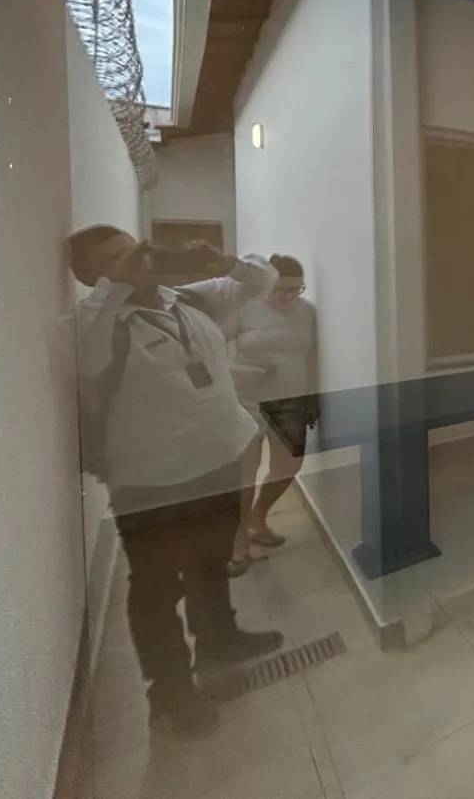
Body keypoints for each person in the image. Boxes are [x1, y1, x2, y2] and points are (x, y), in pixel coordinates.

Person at [69, 225, 284, 739]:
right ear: (93, 277)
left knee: (211, 561)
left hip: (217, 458)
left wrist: (226, 262)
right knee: (157, 588)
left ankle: (220, 639)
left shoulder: (185, 299)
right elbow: (82, 348)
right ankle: (169, 692)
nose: (136, 259)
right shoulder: (97, 324)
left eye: (134, 248)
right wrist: (117, 286)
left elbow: (262, 280)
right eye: (116, 259)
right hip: (152, 480)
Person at [228, 254, 319, 574]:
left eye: (297, 289)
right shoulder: (242, 306)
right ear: (266, 282)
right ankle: (239, 541)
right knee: (244, 477)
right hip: (247, 402)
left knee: (288, 467)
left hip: (290, 402)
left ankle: (258, 516)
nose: (289, 297)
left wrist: (313, 396)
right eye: (281, 289)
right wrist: (239, 371)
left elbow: (312, 358)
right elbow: (210, 353)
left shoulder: (307, 311)